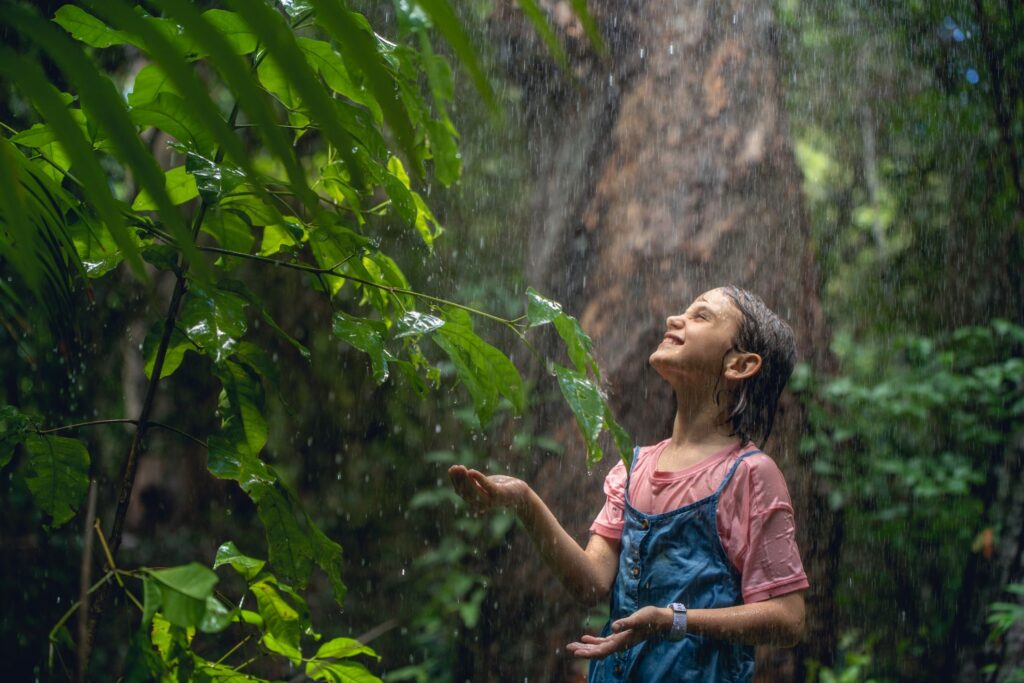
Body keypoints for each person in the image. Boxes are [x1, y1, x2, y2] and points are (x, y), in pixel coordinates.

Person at [449, 286, 808, 681]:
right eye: (684, 312)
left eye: (700, 316)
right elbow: (591, 584)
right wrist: (523, 500)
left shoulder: (750, 476)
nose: (675, 319)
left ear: (739, 365)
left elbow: (787, 619)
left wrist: (674, 620)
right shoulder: (633, 468)